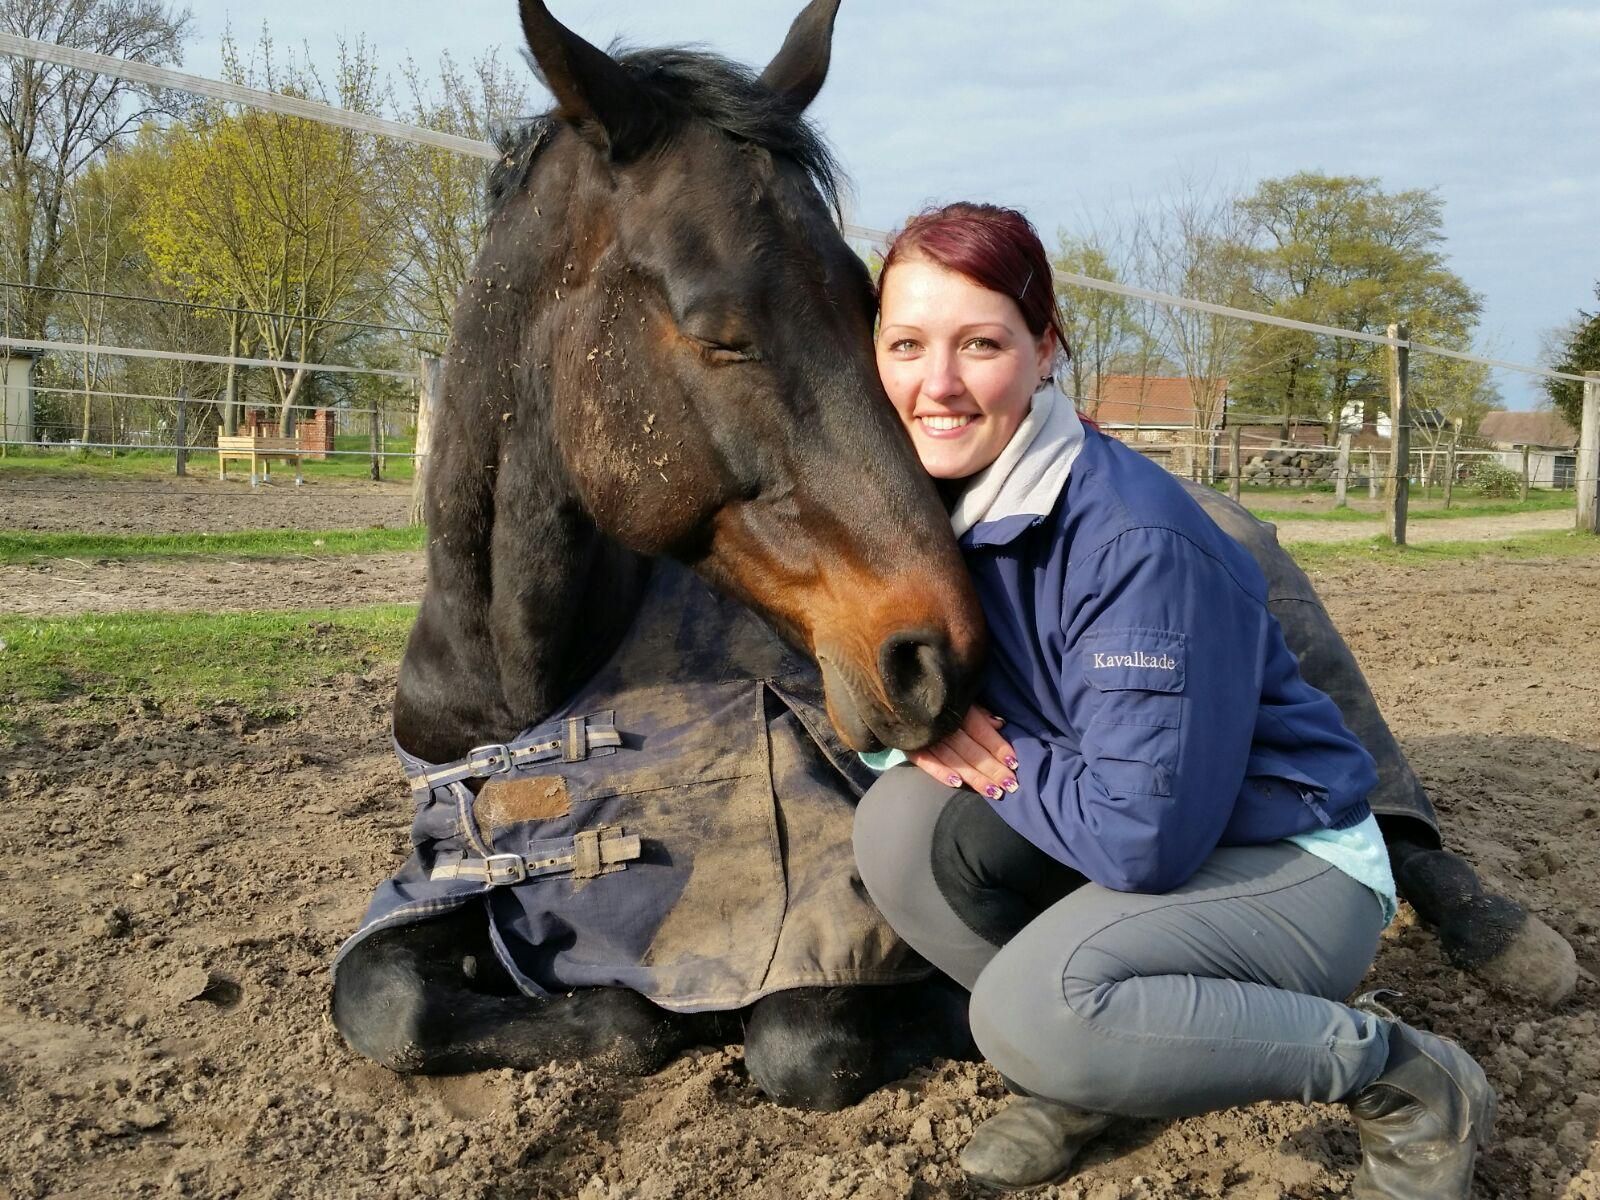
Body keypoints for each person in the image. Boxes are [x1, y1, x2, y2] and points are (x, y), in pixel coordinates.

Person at [851, 202, 1495, 1198]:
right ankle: (1103, 1071)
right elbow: (871, 703)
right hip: (1139, 814)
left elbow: (1139, 842)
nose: (936, 384)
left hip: (1285, 857)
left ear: (1045, 349)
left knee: (1027, 1013)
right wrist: (919, 734)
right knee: (899, 833)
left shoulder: (1131, 542)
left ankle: (1404, 1078)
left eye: (979, 343)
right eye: (906, 345)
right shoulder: (933, 502)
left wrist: (983, 740)